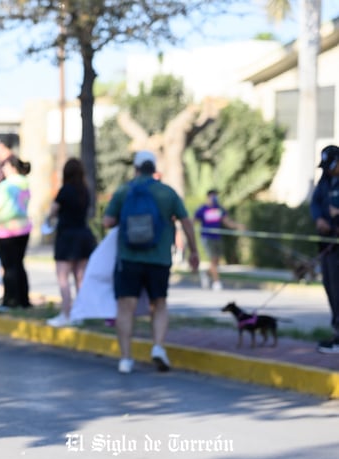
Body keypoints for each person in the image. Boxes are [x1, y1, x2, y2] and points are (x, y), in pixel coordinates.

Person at [102, 151, 199, 374]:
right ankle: (157, 347)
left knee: (126, 307)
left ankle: (126, 358)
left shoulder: (124, 191)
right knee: (159, 303)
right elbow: (186, 222)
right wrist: (193, 251)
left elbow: (107, 221)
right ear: (154, 168)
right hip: (159, 259)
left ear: (135, 168)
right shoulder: (167, 193)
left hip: (129, 258)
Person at [46, 157, 98, 327]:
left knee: (63, 278)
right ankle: (80, 313)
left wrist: (48, 221)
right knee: (80, 278)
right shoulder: (85, 191)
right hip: (84, 236)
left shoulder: (65, 190)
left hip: (67, 237)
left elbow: (53, 212)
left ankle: (65, 313)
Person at [0, 154, 33, 310]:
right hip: (23, 228)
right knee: (18, 265)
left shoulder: (6, 186)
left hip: (5, 230)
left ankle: (10, 301)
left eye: (5, 167)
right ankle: (23, 300)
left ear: (12, 167)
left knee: (8, 267)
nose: (3, 170)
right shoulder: (25, 183)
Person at [310, 144, 339, 354]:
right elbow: (316, 203)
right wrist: (319, 218)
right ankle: (337, 334)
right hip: (328, 243)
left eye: (332, 166)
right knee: (331, 287)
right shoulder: (325, 181)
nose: (328, 170)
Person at [193, 189, 244, 291]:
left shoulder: (219, 209)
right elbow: (193, 221)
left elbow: (227, 222)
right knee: (213, 259)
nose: (215, 198)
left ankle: (206, 274)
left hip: (217, 237)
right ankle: (216, 282)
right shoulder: (202, 209)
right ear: (208, 197)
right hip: (207, 237)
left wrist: (238, 226)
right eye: (213, 196)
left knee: (216, 261)